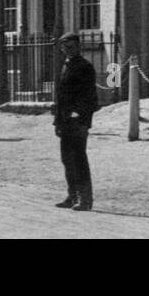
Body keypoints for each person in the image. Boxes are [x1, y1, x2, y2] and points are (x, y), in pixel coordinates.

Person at [53, 31, 99, 211]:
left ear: (78, 47)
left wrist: (81, 117)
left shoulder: (85, 67)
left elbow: (90, 97)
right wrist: (57, 121)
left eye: (71, 46)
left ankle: (85, 199)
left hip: (78, 121)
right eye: (64, 47)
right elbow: (61, 97)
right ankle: (72, 196)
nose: (68, 50)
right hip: (65, 120)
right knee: (67, 159)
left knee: (79, 159)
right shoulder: (65, 66)